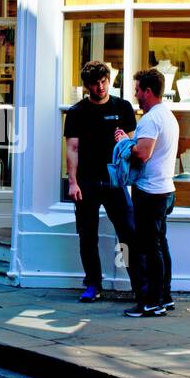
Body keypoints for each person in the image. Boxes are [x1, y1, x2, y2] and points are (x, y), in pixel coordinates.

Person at [64, 60, 139, 303]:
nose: (100, 87)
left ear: (109, 80)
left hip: (116, 181)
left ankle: (138, 284)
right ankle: (93, 284)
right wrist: (72, 182)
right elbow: (72, 148)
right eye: (95, 83)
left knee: (127, 233)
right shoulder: (77, 112)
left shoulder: (123, 107)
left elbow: (132, 147)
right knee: (88, 236)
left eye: (104, 81)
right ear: (86, 86)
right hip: (87, 182)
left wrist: (124, 141)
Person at [115, 68, 179, 318]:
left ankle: (152, 301)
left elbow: (143, 154)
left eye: (138, 90)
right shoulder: (167, 115)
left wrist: (122, 143)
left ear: (148, 91)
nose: (136, 95)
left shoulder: (152, 119)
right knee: (160, 244)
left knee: (150, 249)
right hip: (165, 190)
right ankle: (165, 296)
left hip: (151, 192)